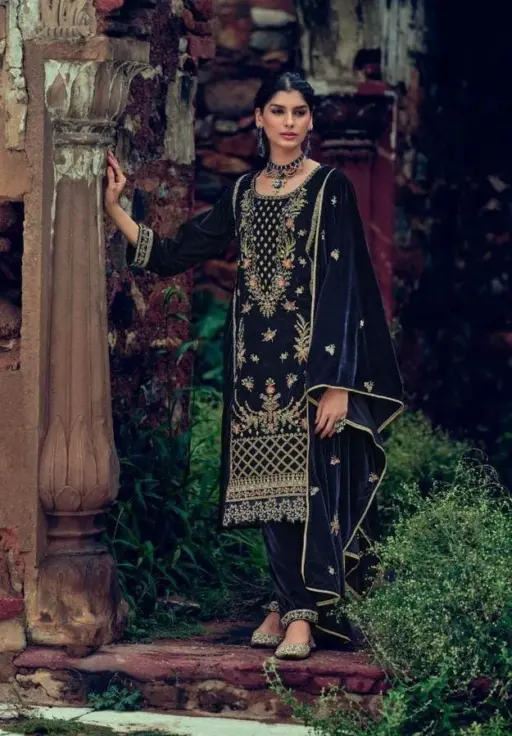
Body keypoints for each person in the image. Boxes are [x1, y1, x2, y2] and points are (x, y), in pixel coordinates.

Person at [105, 72, 404, 660]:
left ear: (310, 120)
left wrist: (339, 384)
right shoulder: (243, 193)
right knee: (270, 490)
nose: (289, 121)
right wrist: (114, 209)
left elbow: (344, 286)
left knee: (311, 483)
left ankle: (302, 615)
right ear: (259, 118)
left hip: (311, 366)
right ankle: (284, 599)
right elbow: (177, 252)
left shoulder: (330, 188)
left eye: (299, 111)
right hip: (253, 368)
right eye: (278, 110)